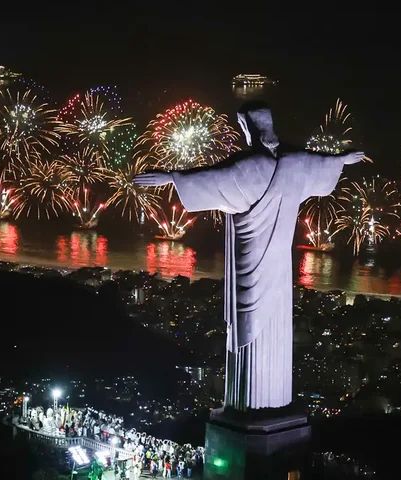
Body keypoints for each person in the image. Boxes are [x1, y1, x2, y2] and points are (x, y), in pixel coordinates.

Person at [134, 101, 364, 410]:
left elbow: (208, 179)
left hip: (249, 262)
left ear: (245, 129)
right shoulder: (294, 163)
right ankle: (270, 404)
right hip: (281, 270)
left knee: (248, 328)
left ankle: (249, 407)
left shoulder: (248, 168)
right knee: (272, 329)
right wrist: (341, 160)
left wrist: (173, 177)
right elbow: (320, 165)